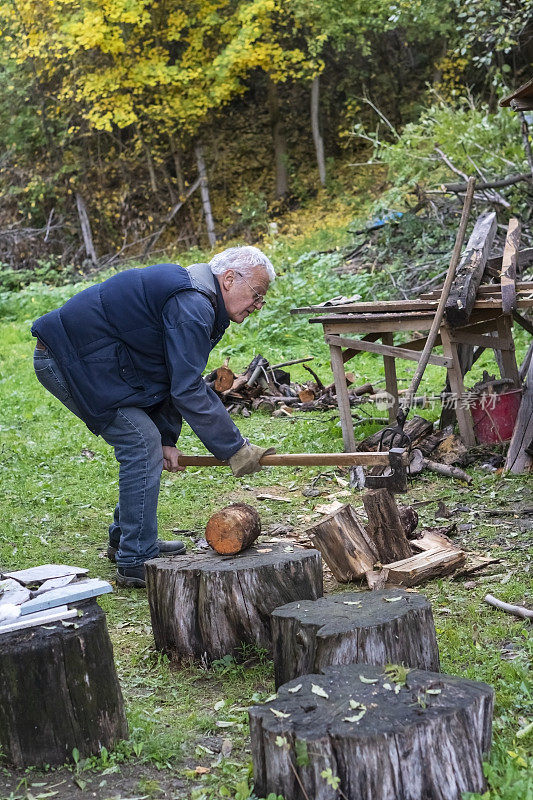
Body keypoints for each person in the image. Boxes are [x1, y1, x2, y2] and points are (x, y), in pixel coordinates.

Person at [31, 246, 276, 587]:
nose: (258, 305)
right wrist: (234, 448)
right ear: (229, 278)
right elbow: (187, 387)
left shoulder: (199, 298)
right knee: (140, 443)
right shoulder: (193, 303)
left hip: (99, 362)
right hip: (67, 359)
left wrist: (166, 440)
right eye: (257, 294)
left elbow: (171, 374)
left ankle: (129, 539)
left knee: (148, 442)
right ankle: (136, 559)